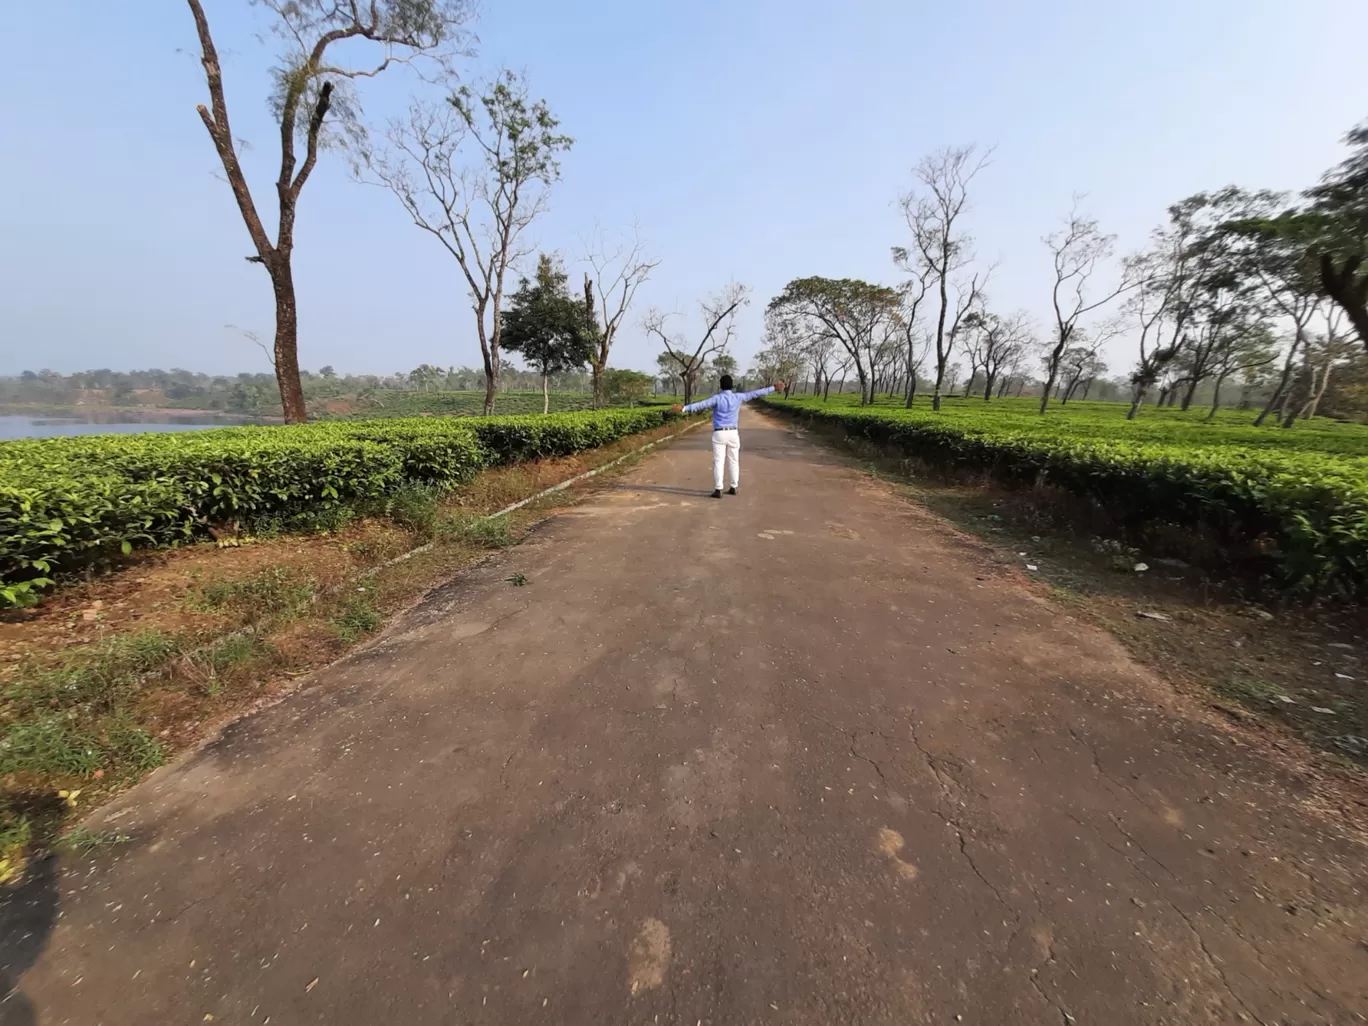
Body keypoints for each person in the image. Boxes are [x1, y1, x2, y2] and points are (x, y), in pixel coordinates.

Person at [672, 375, 785, 498]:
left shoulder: (717, 398)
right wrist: (773, 388)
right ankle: (733, 487)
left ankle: (718, 489)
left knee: (718, 462)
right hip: (733, 433)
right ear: (732, 385)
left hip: (719, 433)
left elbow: (701, 404)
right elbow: (754, 393)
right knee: (734, 461)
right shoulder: (738, 397)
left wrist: (684, 408)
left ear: (721, 385)